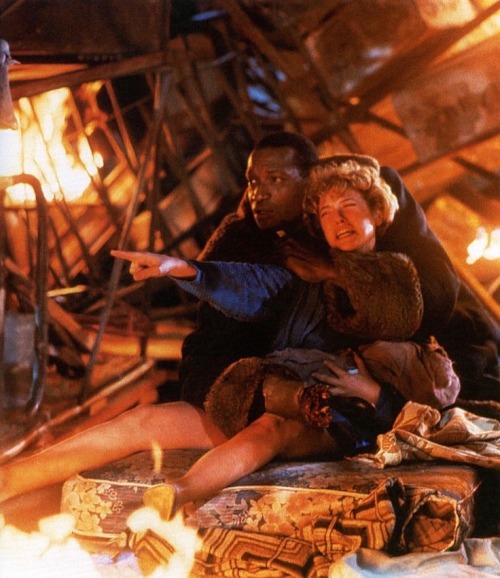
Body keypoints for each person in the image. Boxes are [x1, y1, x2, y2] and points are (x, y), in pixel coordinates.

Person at [0, 158, 458, 508]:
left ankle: (176, 497)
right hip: (274, 393)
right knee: (145, 422)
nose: (338, 220)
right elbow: (255, 285)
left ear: (377, 213)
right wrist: (184, 269)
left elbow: (411, 360)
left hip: (341, 420)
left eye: (349, 208)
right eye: (326, 212)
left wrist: (369, 391)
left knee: (272, 428)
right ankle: (9, 480)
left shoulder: (406, 283)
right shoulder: (308, 272)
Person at [180, 131, 498, 405]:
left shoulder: (367, 195)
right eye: (252, 182)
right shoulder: (245, 243)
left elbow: (436, 293)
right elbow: (211, 343)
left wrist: (340, 271)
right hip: (337, 384)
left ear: (308, 179)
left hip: (450, 354)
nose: (258, 194)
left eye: (276, 180)